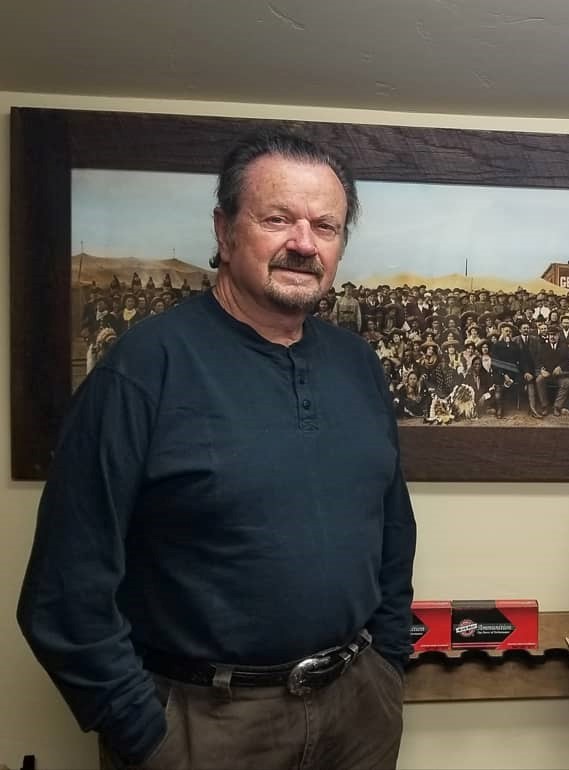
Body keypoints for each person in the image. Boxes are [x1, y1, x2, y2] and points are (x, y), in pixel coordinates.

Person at [18, 131, 417, 770]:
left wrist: (387, 665)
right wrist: (146, 735)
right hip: (204, 725)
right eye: (277, 219)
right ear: (225, 231)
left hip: (356, 714)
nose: (303, 243)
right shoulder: (142, 369)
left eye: (325, 226)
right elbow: (63, 592)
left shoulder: (359, 366)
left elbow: (393, 528)